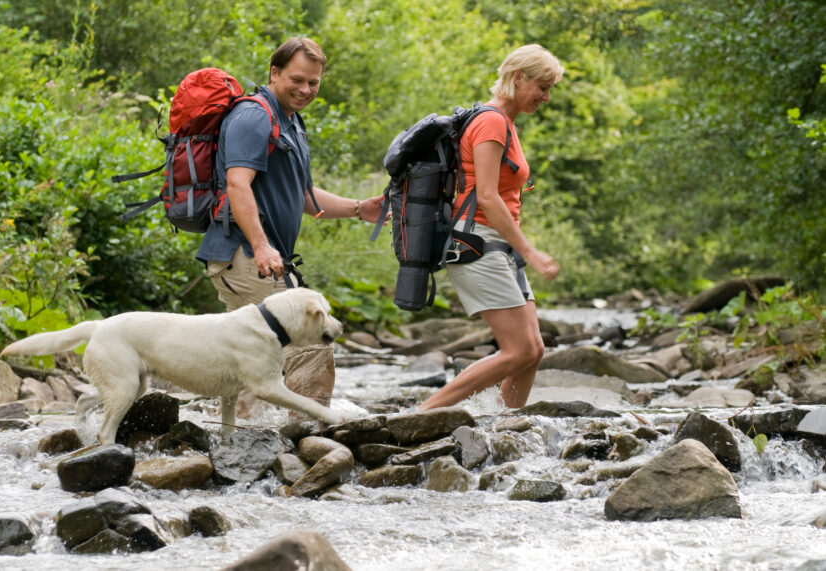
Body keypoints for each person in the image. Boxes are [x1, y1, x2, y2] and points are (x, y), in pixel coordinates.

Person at [197, 37, 385, 413]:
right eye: (297, 80)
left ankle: (246, 443)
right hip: (246, 255)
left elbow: (302, 195)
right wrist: (264, 246)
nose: (305, 90)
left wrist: (358, 207)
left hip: (261, 257)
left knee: (257, 357)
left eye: (313, 83)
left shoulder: (291, 123)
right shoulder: (254, 116)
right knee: (312, 344)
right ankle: (310, 436)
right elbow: (238, 184)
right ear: (274, 73)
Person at [418, 44, 564, 411]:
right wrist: (530, 249)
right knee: (520, 350)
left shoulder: (506, 123)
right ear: (519, 78)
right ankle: (420, 415)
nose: (546, 98)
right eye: (542, 87)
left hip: (498, 245)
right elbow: (486, 195)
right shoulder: (491, 121)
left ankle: (505, 427)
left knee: (533, 350)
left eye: (549, 89)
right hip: (477, 244)